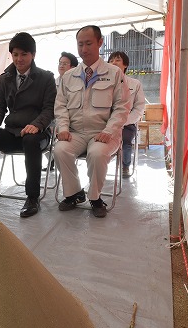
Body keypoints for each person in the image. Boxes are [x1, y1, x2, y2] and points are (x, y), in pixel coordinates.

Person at [0, 32, 56, 218]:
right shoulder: (5, 77)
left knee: (31, 141)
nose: (19, 59)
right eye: (15, 54)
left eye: (24, 54)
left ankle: (32, 197)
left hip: (38, 135)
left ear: (33, 55)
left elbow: (49, 109)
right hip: (13, 132)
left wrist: (37, 125)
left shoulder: (46, 78)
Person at [53, 26, 130, 218]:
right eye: (80, 44)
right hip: (76, 132)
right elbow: (60, 105)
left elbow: (122, 107)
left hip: (103, 133)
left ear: (100, 42)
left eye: (88, 43)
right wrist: (62, 127)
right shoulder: (68, 76)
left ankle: (95, 198)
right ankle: (74, 193)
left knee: (96, 154)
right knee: (60, 149)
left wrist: (109, 130)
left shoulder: (114, 73)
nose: (84, 49)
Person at [108, 51, 145, 177]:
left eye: (117, 60)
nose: (113, 62)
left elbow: (139, 107)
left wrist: (124, 121)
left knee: (125, 138)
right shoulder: (102, 84)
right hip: (105, 123)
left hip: (126, 123)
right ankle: (99, 164)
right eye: (111, 60)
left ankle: (125, 166)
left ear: (125, 65)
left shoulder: (135, 84)